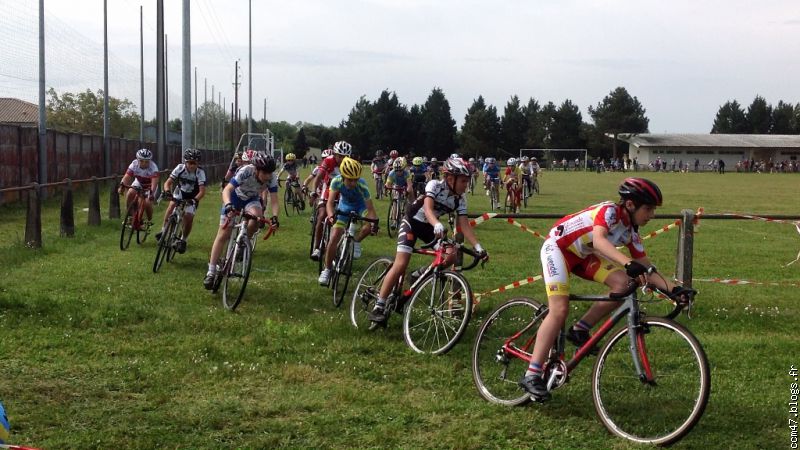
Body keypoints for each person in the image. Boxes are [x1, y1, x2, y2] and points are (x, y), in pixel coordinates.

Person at [518, 177, 695, 400]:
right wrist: (628, 263)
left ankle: (580, 329)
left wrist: (675, 290)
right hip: (558, 249)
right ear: (630, 204)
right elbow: (600, 241)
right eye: (648, 209)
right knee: (559, 309)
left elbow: (647, 268)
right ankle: (532, 374)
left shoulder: (631, 231)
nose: (652, 215)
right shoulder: (609, 211)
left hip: (583, 255)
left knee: (624, 284)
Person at [368, 157, 489, 323]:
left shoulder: (460, 199)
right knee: (401, 263)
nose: (466, 185)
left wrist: (478, 247)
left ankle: (419, 274)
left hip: (430, 227)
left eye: (467, 181)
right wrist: (437, 224)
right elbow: (427, 209)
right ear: (450, 178)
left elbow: (464, 224)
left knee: (451, 255)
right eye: (463, 181)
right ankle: (379, 305)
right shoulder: (434, 185)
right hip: (412, 222)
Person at [203, 153, 280, 289]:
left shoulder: (272, 178)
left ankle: (243, 244)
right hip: (234, 197)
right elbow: (227, 190)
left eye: (270, 173)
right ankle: (211, 270)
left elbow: (274, 200)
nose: (268, 176)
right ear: (256, 169)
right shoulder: (246, 171)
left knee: (256, 218)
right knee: (223, 233)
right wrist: (228, 205)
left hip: (251, 199)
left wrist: (275, 217)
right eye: (265, 173)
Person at [318, 157, 379, 285]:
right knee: (334, 237)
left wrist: (374, 223)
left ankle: (356, 241)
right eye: (350, 180)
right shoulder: (336, 181)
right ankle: (327, 269)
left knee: (369, 226)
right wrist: (331, 216)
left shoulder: (362, 184)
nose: (353, 183)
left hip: (360, 207)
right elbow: (330, 203)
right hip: (344, 206)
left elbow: (370, 208)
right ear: (343, 176)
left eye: (355, 179)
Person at [155, 148, 207, 253]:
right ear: (185, 162)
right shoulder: (180, 168)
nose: (192, 166)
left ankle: (183, 240)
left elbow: (202, 191)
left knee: (188, 217)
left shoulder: (200, 172)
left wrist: (194, 200)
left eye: (195, 163)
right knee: (171, 205)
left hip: (192, 196)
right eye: (190, 163)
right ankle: (163, 230)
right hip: (180, 192)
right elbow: (168, 182)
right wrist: (167, 191)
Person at [310, 142, 350, 260]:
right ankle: (317, 248)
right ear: (335, 154)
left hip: (343, 191)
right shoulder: (328, 161)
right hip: (328, 189)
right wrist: (313, 191)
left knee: (345, 217)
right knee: (322, 216)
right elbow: (319, 177)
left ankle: (341, 244)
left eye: (345, 156)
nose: (342, 159)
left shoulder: (349, 164)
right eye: (340, 156)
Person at [118, 148, 159, 229]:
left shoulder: (153, 168)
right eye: (141, 161)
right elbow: (126, 177)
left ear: (150, 161)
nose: (144, 163)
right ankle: (130, 217)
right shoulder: (134, 164)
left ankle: (149, 220)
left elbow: (154, 183)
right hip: (139, 183)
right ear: (137, 160)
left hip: (150, 185)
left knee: (147, 203)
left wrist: (151, 193)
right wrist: (122, 186)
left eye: (146, 161)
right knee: (130, 193)